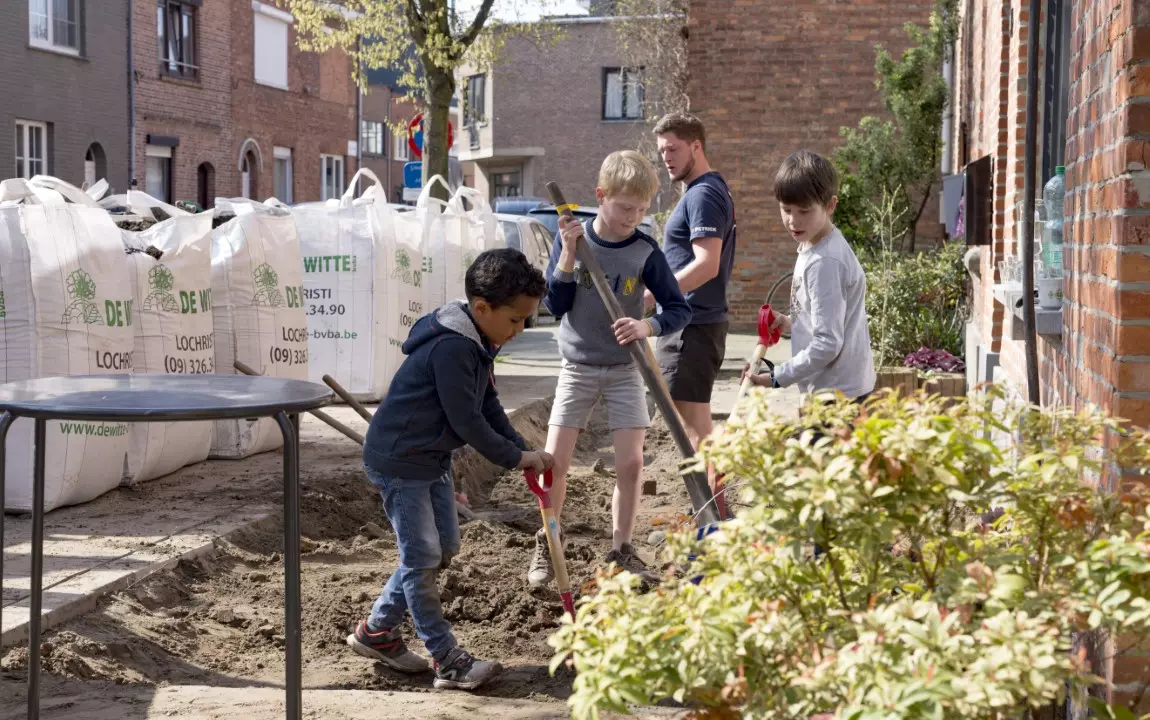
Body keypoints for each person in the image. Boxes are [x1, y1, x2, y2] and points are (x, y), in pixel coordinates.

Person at [347, 248, 554, 691]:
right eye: (516, 320)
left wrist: (524, 448)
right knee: (421, 557)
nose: (520, 330)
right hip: (400, 462)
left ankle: (377, 632)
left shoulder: (480, 341)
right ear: (482, 308)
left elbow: (488, 403)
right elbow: (467, 422)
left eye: (526, 321)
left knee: (441, 547)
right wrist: (515, 458)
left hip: (430, 458)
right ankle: (447, 660)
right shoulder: (453, 347)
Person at [529, 150, 692, 589]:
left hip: (626, 368)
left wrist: (646, 324)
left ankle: (621, 549)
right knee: (554, 463)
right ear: (601, 196)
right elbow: (555, 305)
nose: (633, 218)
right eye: (625, 208)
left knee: (632, 464)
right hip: (577, 366)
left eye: (641, 210)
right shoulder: (578, 244)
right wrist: (566, 254)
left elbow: (679, 309)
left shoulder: (644, 251)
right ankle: (548, 542)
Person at [743, 150, 875, 402]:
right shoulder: (814, 243)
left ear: (830, 205)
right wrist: (790, 322)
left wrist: (776, 377)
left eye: (804, 211)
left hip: (837, 395)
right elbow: (828, 318)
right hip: (836, 387)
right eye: (786, 209)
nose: (793, 221)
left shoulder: (825, 261)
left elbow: (827, 343)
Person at [650, 113, 737, 460]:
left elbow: (706, 265)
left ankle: (713, 508)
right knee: (694, 426)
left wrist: (649, 295)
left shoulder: (703, 196)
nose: (666, 158)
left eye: (673, 149)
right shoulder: (702, 192)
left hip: (692, 325)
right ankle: (712, 507)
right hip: (692, 324)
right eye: (661, 151)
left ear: (696, 146)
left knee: (695, 429)